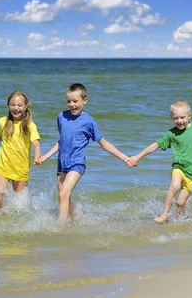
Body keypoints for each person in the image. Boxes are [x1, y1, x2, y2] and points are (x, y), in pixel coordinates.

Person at [34, 83, 129, 223]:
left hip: (77, 164)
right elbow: (62, 141)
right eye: (69, 101)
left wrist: (125, 158)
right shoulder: (61, 117)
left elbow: (103, 143)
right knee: (63, 197)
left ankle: (61, 227)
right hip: (62, 163)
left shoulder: (89, 121)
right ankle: (76, 216)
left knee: (64, 193)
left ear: (85, 101)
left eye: (75, 101)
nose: (72, 105)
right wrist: (46, 156)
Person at [126, 100, 192, 223]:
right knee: (175, 185)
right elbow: (155, 145)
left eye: (182, 117)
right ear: (171, 118)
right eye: (175, 118)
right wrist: (137, 157)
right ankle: (164, 215)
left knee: (181, 203)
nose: (179, 121)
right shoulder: (171, 134)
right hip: (179, 167)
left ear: (189, 116)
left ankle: (179, 220)